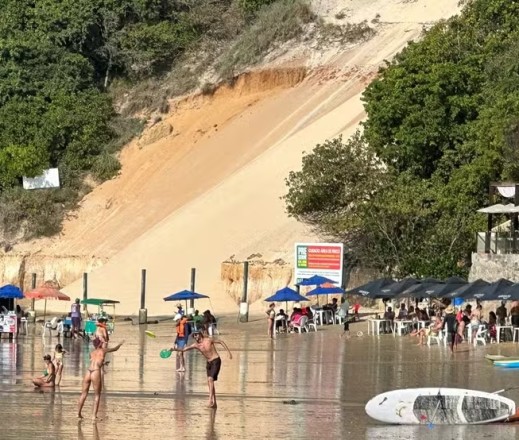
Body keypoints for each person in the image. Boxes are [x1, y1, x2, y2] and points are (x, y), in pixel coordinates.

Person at [171, 330, 232, 408]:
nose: (195, 337)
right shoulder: (196, 345)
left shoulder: (208, 340)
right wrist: (174, 349)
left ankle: (210, 400)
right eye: (194, 336)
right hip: (208, 363)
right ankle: (214, 402)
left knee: (210, 379)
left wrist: (228, 352)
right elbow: (184, 349)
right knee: (210, 382)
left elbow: (221, 342)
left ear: (200, 334)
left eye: (196, 335)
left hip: (216, 361)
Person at [78, 339, 124, 420]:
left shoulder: (92, 352)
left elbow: (95, 361)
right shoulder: (103, 350)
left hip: (88, 371)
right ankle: (93, 416)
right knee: (97, 395)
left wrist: (103, 363)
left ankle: (78, 413)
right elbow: (114, 349)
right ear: (100, 344)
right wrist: (120, 344)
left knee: (83, 394)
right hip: (95, 371)